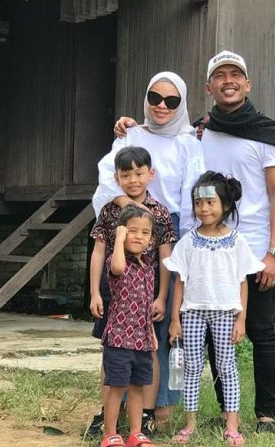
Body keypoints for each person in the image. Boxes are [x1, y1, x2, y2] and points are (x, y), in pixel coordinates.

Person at [116, 51, 275, 434]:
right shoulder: (198, 130)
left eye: (236, 75)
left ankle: (266, 415)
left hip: (253, 248)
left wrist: (274, 252)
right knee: (213, 333)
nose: (228, 81)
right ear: (208, 87)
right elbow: (159, 134)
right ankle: (223, 411)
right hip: (203, 247)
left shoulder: (268, 134)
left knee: (260, 330)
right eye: (220, 76)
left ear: (247, 84)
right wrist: (129, 128)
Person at [90, 72, 205, 436]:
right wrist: (127, 207)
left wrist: (184, 247)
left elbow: (192, 191)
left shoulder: (190, 142)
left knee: (156, 328)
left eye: (172, 101)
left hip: (165, 232)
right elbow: (109, 177)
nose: (161, 106)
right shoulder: (131, 134)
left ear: (182, 104)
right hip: (126, 226)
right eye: (155, 97)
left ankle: (153, 412)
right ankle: (110, 412)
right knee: (114, 329)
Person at [165, 172, 264, 446]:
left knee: (226, 366)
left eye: (210, 202)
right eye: (199, 203)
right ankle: (189, 424)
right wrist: (175, 319)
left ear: (226, 206)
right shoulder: (188, 242)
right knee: (192, 367)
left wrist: (241, 319)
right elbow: (180, 283)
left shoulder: (236, 241)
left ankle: (232, 425)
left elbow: (242, 283)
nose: (204, 208)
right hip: (192, 312)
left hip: (225, 312)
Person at [88, 146, 176, 439]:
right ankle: (106, 417)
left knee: (148, 351)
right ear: (117, 177)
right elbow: (99, 252)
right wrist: (94, 293)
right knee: (111, 351)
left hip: (146, 291)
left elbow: (165, 258)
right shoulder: (110, 210)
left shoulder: (160, 212)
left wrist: (162, 296)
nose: (133, 180)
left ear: (151, 174)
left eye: (139, 173)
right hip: (114, 289)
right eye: (126, 175)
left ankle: (146, 417)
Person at [99, 205, 160, 447]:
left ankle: (135, 433)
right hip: (119, 339)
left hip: (142, 339)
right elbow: (117, 268)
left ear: (152, 239)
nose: (138, 236)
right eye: (132, 231)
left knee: (137, 388)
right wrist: (119, 239)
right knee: (117, 387)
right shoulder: (117, 261)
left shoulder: (149, 267)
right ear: (121, 233)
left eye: (145, 233)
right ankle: (110, 434)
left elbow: (146, 305)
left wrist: (152, 333)